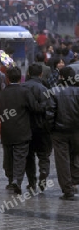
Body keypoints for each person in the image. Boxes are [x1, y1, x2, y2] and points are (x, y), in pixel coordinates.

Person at [0, 66, 45, 194]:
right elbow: (36, 108)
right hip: (22, 130)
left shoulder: (0, 95)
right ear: (20, 78)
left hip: (7, 131)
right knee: (20, 157)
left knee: (8, 157)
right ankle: (17, 180)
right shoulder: (25, 92)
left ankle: (10, 179)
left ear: (7, 78)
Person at [46, 67, 79, 200]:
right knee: (76, 155)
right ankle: (75, 181)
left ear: (61, 77)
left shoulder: (54, 91)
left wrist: (50, 128)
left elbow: (50, 113)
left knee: (62, 160)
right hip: (77, 130)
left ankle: (67, 189)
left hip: (59, 132)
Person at [22, 64, 52, 192]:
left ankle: (31, 181)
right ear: (40, 74)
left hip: (24, 127)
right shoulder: (44, 89)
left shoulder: (21, 88)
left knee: (29, 156)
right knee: (43, 155)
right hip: (41, 128)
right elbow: (48, 109)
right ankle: (43, 173)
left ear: (28, 73)